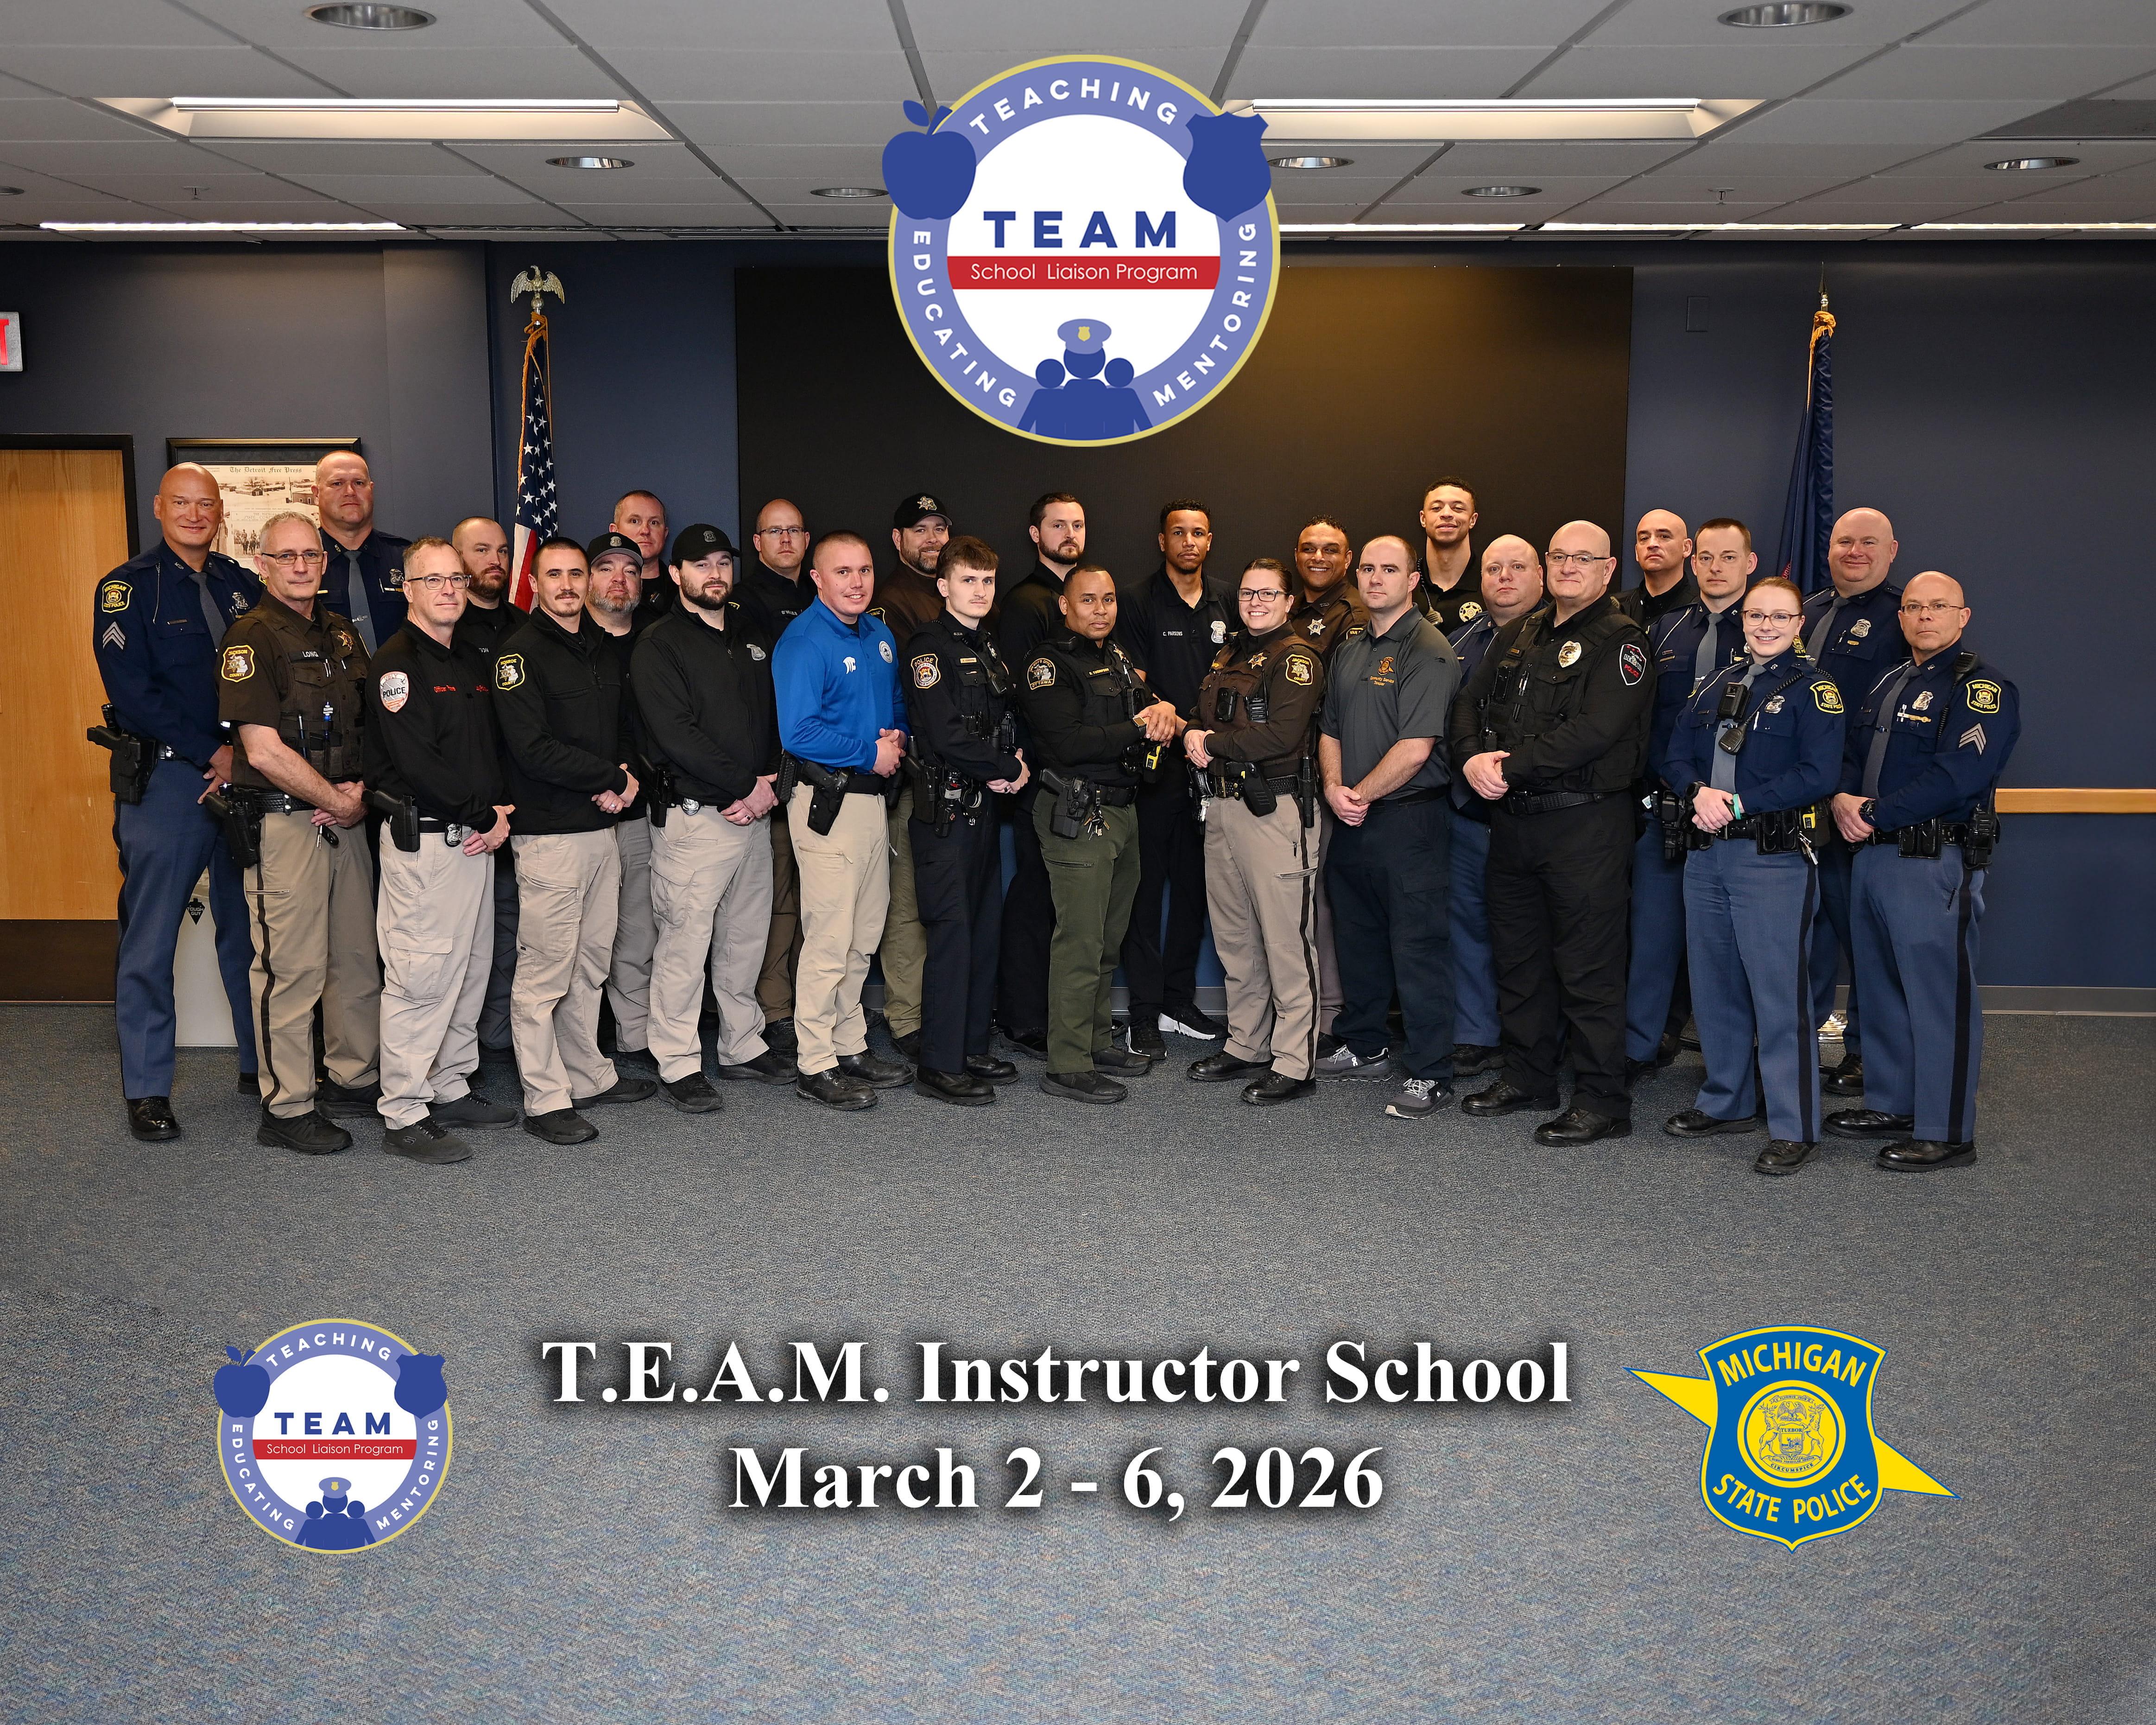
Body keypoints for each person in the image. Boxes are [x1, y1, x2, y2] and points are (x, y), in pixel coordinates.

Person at [1452, 520, 1654, 1145]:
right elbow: (1467, 703)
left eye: (1582, 558)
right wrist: (1467, 757)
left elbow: (1593, 731)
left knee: (1588, 969)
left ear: (1607, 568)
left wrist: (1506, 765)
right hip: (1514, 824)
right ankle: (1529, 1075)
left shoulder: (1623, 641)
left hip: (1585, 823)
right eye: (1558, 556)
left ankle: (1602, 1099)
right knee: (1520, 962)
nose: (1568, 566)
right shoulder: (1523, 630)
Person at [1826, 572, 2017, 1172]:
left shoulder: (1981, 688)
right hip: (1871, 853)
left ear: (1962, 616)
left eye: (1938, 606)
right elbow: (1853, 757)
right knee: (1878, 988)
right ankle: (1891, 1102)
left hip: (1930, 856)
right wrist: (1840, 798)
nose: (1924, 615)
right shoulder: (1889, 680)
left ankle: (1946, 1129)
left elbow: (1958, 775)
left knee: (1939, 997)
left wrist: (1875, 813)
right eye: (1913, 606)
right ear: (1901, 616)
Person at [92, 463, 260, 1142]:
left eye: (206, 505)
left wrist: (245, 757)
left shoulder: (241, 585)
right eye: (181, 503)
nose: (195, 515)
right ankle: (147, 1088)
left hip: (244, 777)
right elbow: (135, 693)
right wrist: (209, 752)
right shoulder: (126, 590)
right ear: (159, 507)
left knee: (246, 931)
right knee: (152, 937)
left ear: (219, 511)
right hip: (170, 781)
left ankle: (261, 1065)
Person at [1658, 576, 1846, 1175]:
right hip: (1706, 850)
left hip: (1771, 858)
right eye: (1756, 616)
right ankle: (1728, 1099)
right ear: (1744, 620)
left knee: (1778, 995)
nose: (1766, 626)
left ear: (1798, 624)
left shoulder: (1814, 690)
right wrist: (1696, 793)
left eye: (1779, 617)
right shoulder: (1717, 680)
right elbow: (1675, 750)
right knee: (1714, 985)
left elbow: (1819, 773)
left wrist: (1738, 803)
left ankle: (1796, 1124)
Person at [217, 510, 379, 1154]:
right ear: (264, 564)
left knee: (356, 961)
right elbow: (261, 749)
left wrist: (358, 793)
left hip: (348, 818)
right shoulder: (249, 637)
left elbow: (369, 726)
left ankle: (352, 1077)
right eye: (287, 557)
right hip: (288, 823)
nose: (302, 566)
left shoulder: (342, 633)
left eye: (311, 555)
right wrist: (334, 799)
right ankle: (285, 1107)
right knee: (291, 969)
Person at [492, 535, 655, 1146]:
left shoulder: (599, 650)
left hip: (602, 829)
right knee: (544, 974)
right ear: (535, 582)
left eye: (574, 573)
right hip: (550, 836)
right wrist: (610, 779)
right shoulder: (519, 655)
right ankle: (545, 1095)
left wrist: (623, 779)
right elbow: (531, 748)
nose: (565, 584)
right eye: (553, 574)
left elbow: (619, 732)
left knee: (590, 966)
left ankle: (586, 1072)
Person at [364, 536, 515, 1164]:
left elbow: (485, 753)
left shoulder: (464, 660)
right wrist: (485, 814)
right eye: (434, 581)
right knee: (420, 979)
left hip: (473, 843)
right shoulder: (398, 665)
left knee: (469, 973)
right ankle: (402, 1108)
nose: (449, 589)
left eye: (456, 578)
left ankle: (449, 1083)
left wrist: (499, 813)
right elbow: (419, 765)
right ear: (408, 589)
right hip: (426, 842)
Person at [632, 523, 790, 1115]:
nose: (715, 574)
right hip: (697, 816)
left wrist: (768, 784)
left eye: (723, 562)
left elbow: (775, 717)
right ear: (676, 575)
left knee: (745, 937)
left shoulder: (751, 635)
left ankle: (741, 1043)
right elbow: (677, 736)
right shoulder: (660, 644)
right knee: (684, 941)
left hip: (753, 812)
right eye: (701, 565)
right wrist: (745, 785)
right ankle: (676, 1059)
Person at [1314, 535, 1462, 1119]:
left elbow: (1417, 746)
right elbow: (1330, 730)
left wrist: (1359, 794)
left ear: (1413, 579)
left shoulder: (1428, 648)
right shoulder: (1350, 647)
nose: (1376, 578)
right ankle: (1365, 1041)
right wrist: (1334, 788)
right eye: (1369, 568)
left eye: (1389, 569)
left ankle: (1432, 1073)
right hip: (1352, 815)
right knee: (1358, 937)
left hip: (1409, 819)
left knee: (1418, 947)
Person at [1020, 564, 1180, 1103]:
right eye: (1087, 600)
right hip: (1078, 810)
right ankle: (1067, 1062)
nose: (1100, 609)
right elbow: (1068, 744)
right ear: (1065, 605)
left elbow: (1145, 708)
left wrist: (1162, 712)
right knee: (1079, 941)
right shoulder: (1048, 663)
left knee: (1108, 939)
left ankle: (1095, 1040)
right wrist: (1138, 725)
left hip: (1124, 809)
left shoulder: (1113, 657)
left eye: (1109, 599)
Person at [771, 530, 913, 1110]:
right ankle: (814, 1061)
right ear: (818, 578)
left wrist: (897, 737)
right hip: (826, 804)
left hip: (873, 800)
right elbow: (798, 731)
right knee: (829, 937)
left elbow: (896, 703)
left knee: (865, 933)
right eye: (843, 572)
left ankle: (849, 1043)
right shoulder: (804, 640)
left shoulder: (879, 634)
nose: (856, 582)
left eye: (865, 570)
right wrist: (868, 751)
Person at [1182, 558, 1328, 1105]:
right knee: (1236, 937)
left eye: (1269, 593)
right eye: (1248, 592)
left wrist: (1207, 743)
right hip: (1222, 806)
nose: (1257, 601)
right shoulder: (1231, 654)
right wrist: (1198, 735)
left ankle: (1295, 1059)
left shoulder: (1296, 659)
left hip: (1274, 809)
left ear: (1290, 601)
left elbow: (1281, 736)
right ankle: (1247, 1041)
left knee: (1286, 941)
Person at [1624, 515, 1753, 1082]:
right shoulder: (1668, 629)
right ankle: (1637, 1046)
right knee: (1650, 936)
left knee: (1734, 946)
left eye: (1730, 557)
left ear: (1750, 563)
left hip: (1739, 815)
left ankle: (1739, 1059)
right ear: (1693, 561)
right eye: (1708, 557)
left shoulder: (1765, 630)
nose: (1717, 567)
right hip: (1667, 806)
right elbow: (1644, 718)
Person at [903, 537, 1027, 1104]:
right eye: (968, 580)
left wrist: (1011, 765)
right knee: (952, 935)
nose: (979, 591)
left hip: (982, 810)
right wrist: (1003, 768)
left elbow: (1003, 721)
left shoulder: (990, 648)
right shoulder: (929, 649)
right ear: (944, 585)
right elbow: (948, 734)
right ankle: (940, 1062)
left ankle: (973, 1047)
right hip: (946, 813)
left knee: (982, 930)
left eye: (987, 581)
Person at [1801, 507, 1912, 1097]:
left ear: (1892, 551)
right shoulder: (1807, 612)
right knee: (1805, 936)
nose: (1855, 551)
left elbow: (1888, 723)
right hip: (1793, 805)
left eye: (1870, 542)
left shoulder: (1902, 619)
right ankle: (1801, 1045)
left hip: (1852, 805)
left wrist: (1854, 793)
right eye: (1845, 540)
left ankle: (1867, 1053)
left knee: (1865, 939)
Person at [1118, 498, 1229, 1056]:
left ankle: (1178, 1000)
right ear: (1162, 541)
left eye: (1199, 533)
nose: (1189, 541)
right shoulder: (1137, 600)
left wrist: (1202, 733)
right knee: (1143, 893)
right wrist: (1179, 724)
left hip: (1213, 769)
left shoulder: (1228, 600)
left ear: (1210, 541)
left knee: (1195, 893)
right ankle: (1141, 1011)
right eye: (1179, 533)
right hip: (1157, 770)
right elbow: (1134, 683)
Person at [1444, 535, 1547, 1081]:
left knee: (1534, 931)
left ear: (1541, 575)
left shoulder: (1560, 638)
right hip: (1468, 809)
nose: (1503, 577)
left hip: (1536, 810)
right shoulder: (1459, 642)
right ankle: (1475, 1032)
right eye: (1493, 569)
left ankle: (1534, 1038)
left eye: (1517, 567)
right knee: (1468, 925)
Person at [996, 491, 1089, 1057]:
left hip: (1075, 776)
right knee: (1036, 895)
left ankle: (1049, 1014)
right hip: (1041, 774)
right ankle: (1022, 1017)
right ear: (1036, 534)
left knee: (1060, 900)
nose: (1069, 533)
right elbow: (1027, 691)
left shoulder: (1083, 598)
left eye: (1077, 524)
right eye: (1058, 525)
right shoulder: (1028, 603)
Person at [866, 493, 953, 1059]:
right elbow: (898, 697)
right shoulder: (888, 604)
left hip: (960, 778)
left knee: (947, 901)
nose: (932, 539)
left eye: (940, 528)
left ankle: (945, 1008)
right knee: (906, 905)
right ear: (897, 540)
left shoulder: (963, 595)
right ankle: (906, 1018)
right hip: (912, 776)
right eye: (920, 529)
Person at [1287, 513, 1370, 1054]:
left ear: (1348, 559)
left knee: (1322, 900)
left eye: (1330, 549)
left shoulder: (1355, 613)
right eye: (1308, 547)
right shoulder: (1289, 606)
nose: (1318, 557)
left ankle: (1330, 1016)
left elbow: (1335, 700)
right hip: (1284, 771)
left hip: (1329, 772)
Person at [449, 515, 525, 1059]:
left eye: (501, 550)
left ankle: (496, 1041)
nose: (494, 560)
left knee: (513, 932)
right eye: (480, 550)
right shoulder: (447, 632)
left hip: (523, 802)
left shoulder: (526, 627)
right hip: (465, 809)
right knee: (464, 942)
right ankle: (459, 1049)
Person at [583, 530, 659, 1072]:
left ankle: (636, 1037)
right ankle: (583, 1046)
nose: (619, 578)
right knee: (581, 942)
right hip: (579, 810)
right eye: (606, 567)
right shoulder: (570, 638)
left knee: (638, 931)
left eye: (630, 569)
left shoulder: (657, 640)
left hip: (640, 806)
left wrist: (631, 778)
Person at [741, 497, 812, 1052]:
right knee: (780, 898)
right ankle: (775, 1008)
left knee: (821, 902)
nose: (785, 540)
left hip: (826, 774)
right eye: (774, 531)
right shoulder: (744, 602)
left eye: (793, 531)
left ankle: (811, 1003)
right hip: (776, 772)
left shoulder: (823, 597)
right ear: (758, 542)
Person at [313, 450, 409, 653]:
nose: (350, 492)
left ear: (371, 490)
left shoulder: (407, 558)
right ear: (316, 494)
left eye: (359, 483)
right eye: (337, 483)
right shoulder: (303, 564)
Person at [1415, 478, 1482, 630]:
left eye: (1458, 508)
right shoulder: (1405, 584)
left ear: (1473, 520)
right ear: (1423, 519)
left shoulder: (1491, 582)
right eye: (1437, 508)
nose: (1446, 514)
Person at [1617, 508, 1698, 626]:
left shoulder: (1703, 612)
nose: (1652, 544)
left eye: (1664, 536)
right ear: (1636, 552)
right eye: (1644, 539)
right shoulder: (1614, 610)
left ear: (1686, 548)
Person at [610, 489, 671, 624]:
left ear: (665, 534)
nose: (645, 531)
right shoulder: (594, 590)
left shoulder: (682, 592)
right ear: (615, 531)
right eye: (634, 521)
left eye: (654, 523)